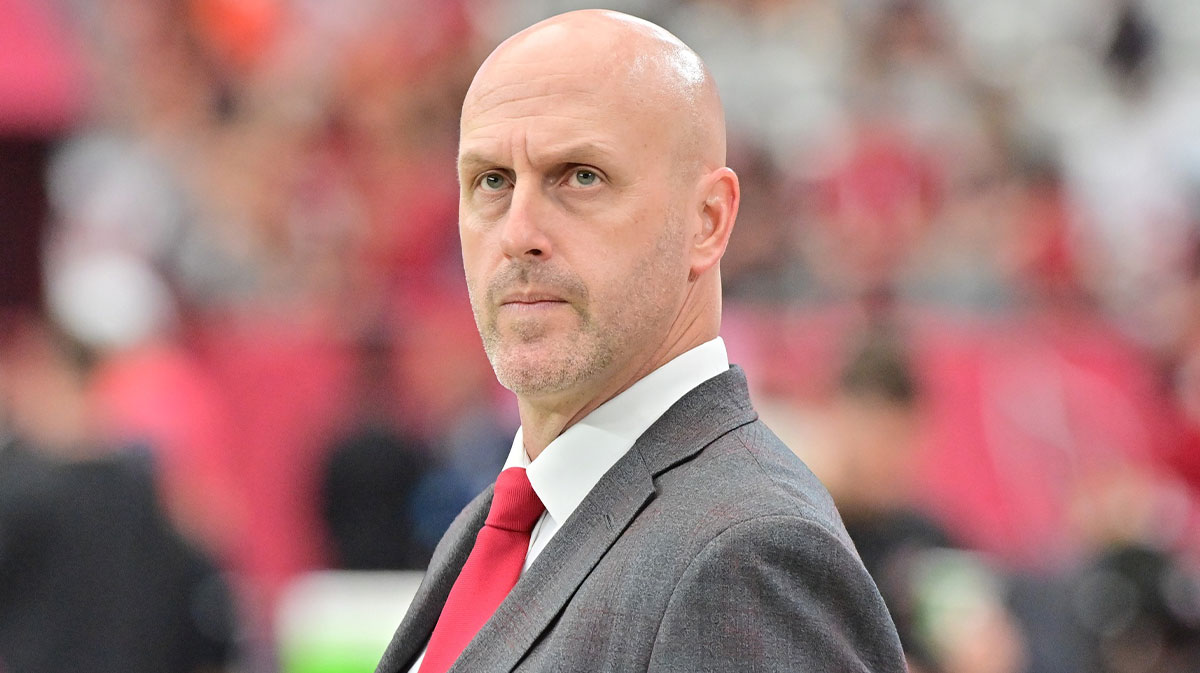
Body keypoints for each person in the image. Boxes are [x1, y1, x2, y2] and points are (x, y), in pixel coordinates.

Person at [376, 10, 905, 673]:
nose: (518, 232)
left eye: (580, 176)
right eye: (492, 181)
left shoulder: (747, 554)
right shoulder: (500, 521)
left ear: (707, 221)